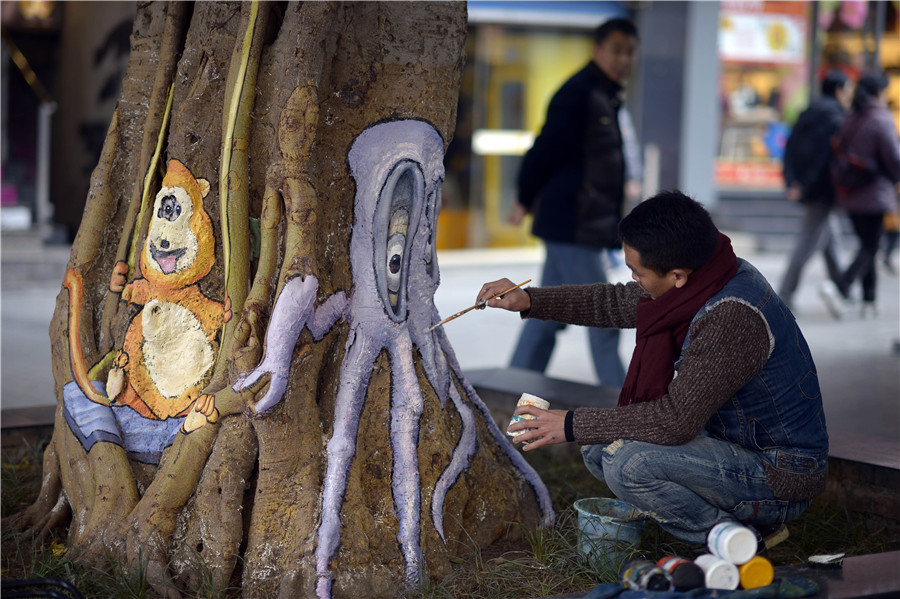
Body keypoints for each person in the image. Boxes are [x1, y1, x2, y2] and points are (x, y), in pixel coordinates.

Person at [479, 191, 828, 548]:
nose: (634, 280)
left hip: (779, 473)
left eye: (637, 272)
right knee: (599, 446)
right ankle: (723, 522)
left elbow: (674, 421)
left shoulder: (731, 316)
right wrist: (530, 300)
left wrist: (569, 423)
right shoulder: (709, 271)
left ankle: (737, 541)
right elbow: (614, 301)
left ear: (677, 275)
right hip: (732, 444)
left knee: (628, 464)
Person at [506, 18, 639, 387]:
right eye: (616, 50)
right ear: (597, 50)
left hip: (580, 224)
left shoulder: (605, 94)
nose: (623, 59)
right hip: (571, 224)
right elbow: (544, 150)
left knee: (545, 315)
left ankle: (511, 388)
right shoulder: (579, 93)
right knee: (604, 314)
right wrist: (523, 197)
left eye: (629, 52)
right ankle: (626, 404)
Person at [820, 71, 900, 318]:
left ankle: (868, 299)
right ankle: (839, 287)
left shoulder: (851, 117)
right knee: (870, 246)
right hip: (874, 194)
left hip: (850, 193)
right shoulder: (881, 118)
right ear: (879, 92)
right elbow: (894, 158)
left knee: (868, 244)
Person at [779, 70, 853, 311]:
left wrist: (793, 181)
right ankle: (785, 295)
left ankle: (843, 287)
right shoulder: (836, 118)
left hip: (808, 186)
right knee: (808, 241)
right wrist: (805, 186)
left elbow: (789, 149)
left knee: (830, 236)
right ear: (839, 90)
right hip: (821, 189)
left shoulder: (807, 113)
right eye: (848, 90)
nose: (850, 95)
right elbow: (823, 159)